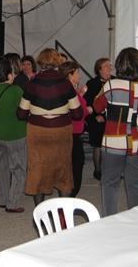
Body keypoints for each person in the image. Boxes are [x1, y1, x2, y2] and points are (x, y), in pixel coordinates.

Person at [17, 48, 82, 206]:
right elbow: (78, 114)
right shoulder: (65, 84)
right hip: (61, 131)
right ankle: (64, 213)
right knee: (63, 169)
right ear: (57, 62)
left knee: (37, 169)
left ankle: (40, 211)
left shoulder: (32, 83)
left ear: (40, 62)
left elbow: (20, 114)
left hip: (37, 132)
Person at [93, 48, 138, 215]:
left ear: (119, 65)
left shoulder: (110, 85)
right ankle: (135, 221)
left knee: (109, 184)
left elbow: (97, 107)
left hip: (113, 142)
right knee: (135, 185)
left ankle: (109, 220)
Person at [0, 59, 26, 213]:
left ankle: (3, 198)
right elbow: (24, 110)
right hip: (15, 134)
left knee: (1, 168)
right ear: (8, 75)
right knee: (18, 169)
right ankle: (12, 203)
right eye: (13, 72)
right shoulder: (17, 91)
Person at [60, 61, 91, 197]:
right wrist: (88, 110)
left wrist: (81, 94)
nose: (79, 75)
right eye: (77, 72)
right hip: (72, 133)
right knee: (76, 168)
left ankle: (68, 197)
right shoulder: (70, 90)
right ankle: (69, 199)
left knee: (72, 167)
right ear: (70, 74)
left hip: (71, 132)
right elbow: (78, 113)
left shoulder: (69, 89)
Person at [84, 57, 113, 181]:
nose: (109, 68)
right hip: (97, 119)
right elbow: (87, 103)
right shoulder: (92, 83)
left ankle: (112, 169)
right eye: (106, 66)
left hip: (113, 118)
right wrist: (96, 115)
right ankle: (98, 170)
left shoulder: (116, 81)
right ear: (99, 70)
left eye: (110, 66)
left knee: (113, 145)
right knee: (98, 144)